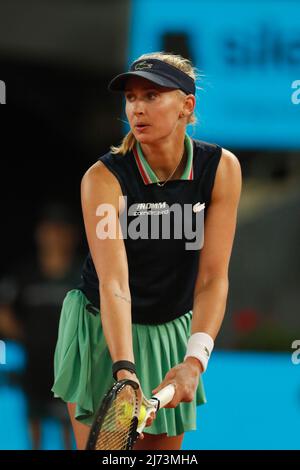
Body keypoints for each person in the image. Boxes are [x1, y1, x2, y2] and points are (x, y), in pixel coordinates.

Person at [52, 51, 242, 451]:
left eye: (152, 96)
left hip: (171, 329)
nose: (137, 108)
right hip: (103, 328)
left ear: (186, 106)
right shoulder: (103, 178)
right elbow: (114, 282)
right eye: (132, 97)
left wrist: (194, 362)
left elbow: (212, 278)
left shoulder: (221, 169)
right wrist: (125, 370)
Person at [0, 203, 81, 449]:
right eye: (50, 229)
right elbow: (3, 309)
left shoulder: (83, 274)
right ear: (40, 233)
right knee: (34, 435)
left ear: (72, 235)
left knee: (71, 433)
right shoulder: (25, 275)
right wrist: (28, 338)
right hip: (34, 370)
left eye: (61, 229)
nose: (54, 236)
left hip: (71, 369)